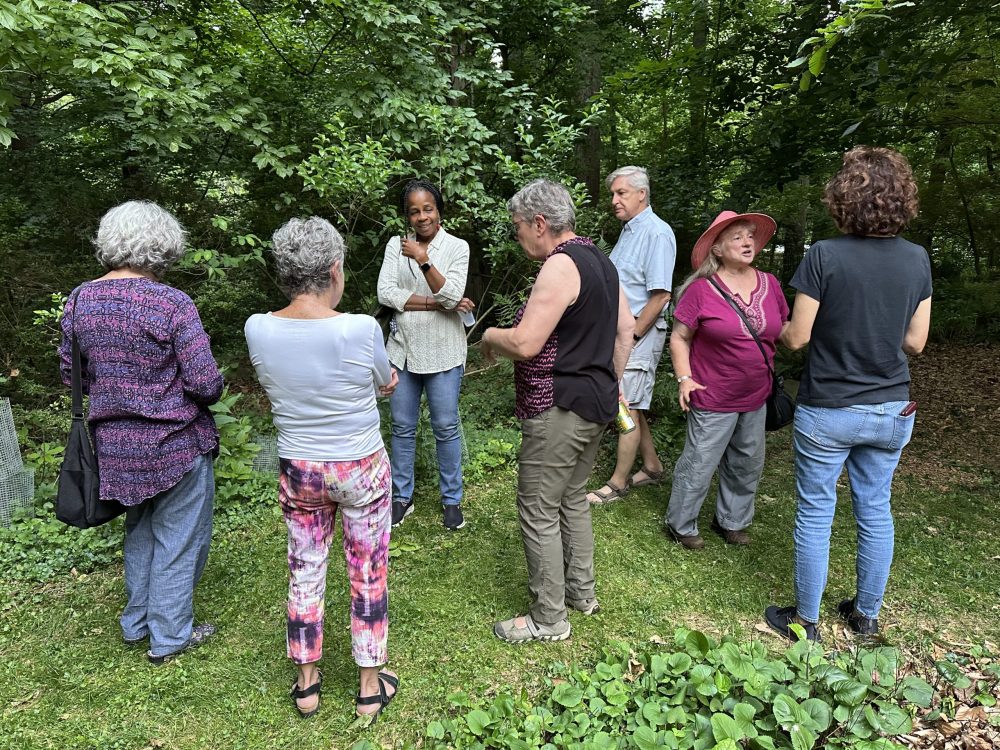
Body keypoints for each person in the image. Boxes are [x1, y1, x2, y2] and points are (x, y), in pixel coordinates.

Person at [766, 146, 932, 642]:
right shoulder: (917, 258)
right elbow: (915, 342)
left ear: (843, 198)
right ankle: (865, 616)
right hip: (891, 409)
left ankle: (806, 622)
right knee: (875, 508)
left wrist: (773, 330)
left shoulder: (825, 255)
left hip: (830, 408)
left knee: (817, 510)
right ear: (901, 198)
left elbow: (797, 337)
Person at [245, 217, 400, 720]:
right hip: (360, 466)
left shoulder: (257, 328)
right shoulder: (359, 327)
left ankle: (307, 684)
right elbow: (383, 378)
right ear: (334, 269)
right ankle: (369, 688)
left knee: (304, 567)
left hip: (300, 467)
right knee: (368, 570)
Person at [58, 200, 223, 665]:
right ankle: (169, 637)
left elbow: (71, 375)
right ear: (162, 246)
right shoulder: (171, 303)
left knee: (140, 530)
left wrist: (115, 392)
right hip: (173, 444)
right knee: (179, 538)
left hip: (113, 446)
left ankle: (137, 623)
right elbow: (205, 384)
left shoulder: (79, 300)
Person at [482, 179, 634, 643]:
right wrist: (612, 382)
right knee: (571, 497)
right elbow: (625, 329)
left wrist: (490, 336)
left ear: (540, 223)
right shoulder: (601, 261)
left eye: (518, 228)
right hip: (596, 403)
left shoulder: (560, 264)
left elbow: (526, 343)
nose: (518, 236)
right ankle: (581, 594)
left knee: (538, 507)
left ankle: (548, 618)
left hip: (560, 407)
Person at [664, 211, 788, 549]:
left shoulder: (770, 284)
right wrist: (684, 378)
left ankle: (731, 521)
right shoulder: (701, 290)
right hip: (712, 392)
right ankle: (681, 524)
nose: (747, 242)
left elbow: (786, 331)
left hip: (757, 393)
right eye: (737, 237)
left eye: (750, 236)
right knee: (700, 463)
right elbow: (679, 338)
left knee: (747, 462)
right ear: (716, 249)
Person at [376, 180, 476, 531]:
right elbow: (386, 293)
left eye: (428, 208)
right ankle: (402, 497)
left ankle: (452, 500)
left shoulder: (457, 247)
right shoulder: (394, 246)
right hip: (402, 352)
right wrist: (436, 302)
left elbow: (455, 296)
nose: (422, 217)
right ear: (407, 215)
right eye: (414, 211)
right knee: (402, 427)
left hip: (445, 352)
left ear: (439, 210)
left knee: (446, 427)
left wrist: (423, 259)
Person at [587, 166, 676, 504]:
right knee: (631, 401)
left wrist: (634, 336)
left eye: (621, 193)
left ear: (642, 194)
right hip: (623, 333)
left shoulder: (656, 232)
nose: (614, 200)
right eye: (613, 194)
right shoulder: (631, 230)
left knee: (625, 404)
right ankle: (652, 465)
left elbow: (661, 295)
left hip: (639, 333)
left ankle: (618, 482)